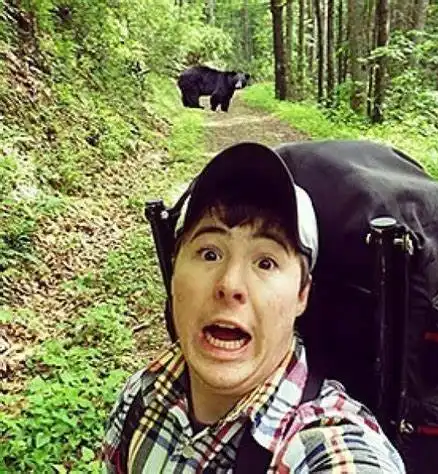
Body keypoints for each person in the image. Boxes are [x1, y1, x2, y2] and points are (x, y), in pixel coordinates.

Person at [101, 142, 406, 473]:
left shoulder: (328, 446)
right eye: (209, 253)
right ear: (174, 274)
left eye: (265, 262)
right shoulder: (140, 397)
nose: (230, 284)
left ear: (302, 294)